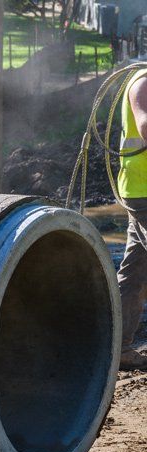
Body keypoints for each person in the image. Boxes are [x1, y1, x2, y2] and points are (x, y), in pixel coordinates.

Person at [116, 67, 147, 370]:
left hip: (140, 190)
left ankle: (117, 347)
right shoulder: (143, 82)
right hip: (144, 192)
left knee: (134, 270)